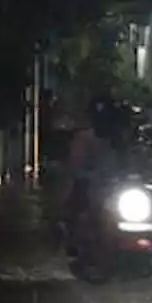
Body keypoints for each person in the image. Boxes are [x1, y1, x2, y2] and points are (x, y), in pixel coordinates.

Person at [63, 94, 124, 242]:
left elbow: (134, 163)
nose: (102, 120)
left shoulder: (120, 140)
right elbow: (76, 166)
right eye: (98, 116)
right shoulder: (82, 138)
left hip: (117, 191)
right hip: (89, 190)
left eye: (106, 116)